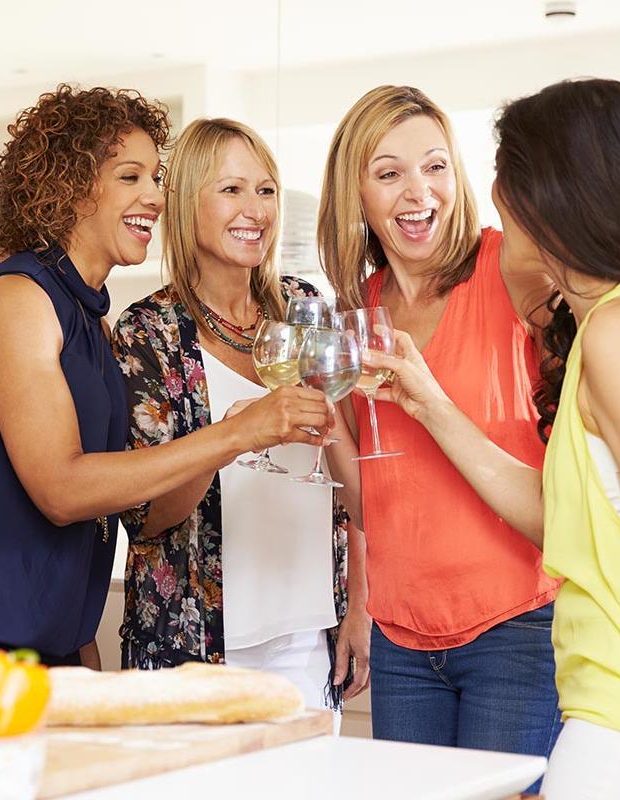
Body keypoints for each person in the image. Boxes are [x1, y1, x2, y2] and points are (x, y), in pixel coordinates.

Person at [370, 78, 620, 800]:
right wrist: (429, 404)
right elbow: (562, 514)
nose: (491, 200)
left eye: (505, 180)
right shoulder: (615, 323)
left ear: (545, 196)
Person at [0, 84, 331, 686]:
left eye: (156, 177)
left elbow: (90, 513)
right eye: (130, 177)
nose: (155, 197)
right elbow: (61, 488)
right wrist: (236, 433)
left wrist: (80, 646)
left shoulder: (86, 317)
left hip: (41, 642)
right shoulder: (19, 298)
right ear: (69, 186)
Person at [316, 86, 561, 775]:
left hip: (514, 628)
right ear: (357, 196)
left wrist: (427, 400)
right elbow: (373, 508)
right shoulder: (359, 311)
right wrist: (327, 420)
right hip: (402, 642)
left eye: (435, 167)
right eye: (389, 173)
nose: (417, 192)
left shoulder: (512, 269)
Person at [114, 117, 368, 710]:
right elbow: (149, 520)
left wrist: (361, 605)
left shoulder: (306, 309)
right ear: (185, 203)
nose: (255, 209)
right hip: (195, 644)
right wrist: (233, 436)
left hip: (308, 633)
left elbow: (360, 493)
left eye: (266, 189)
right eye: (231, 189)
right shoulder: (148, 332)